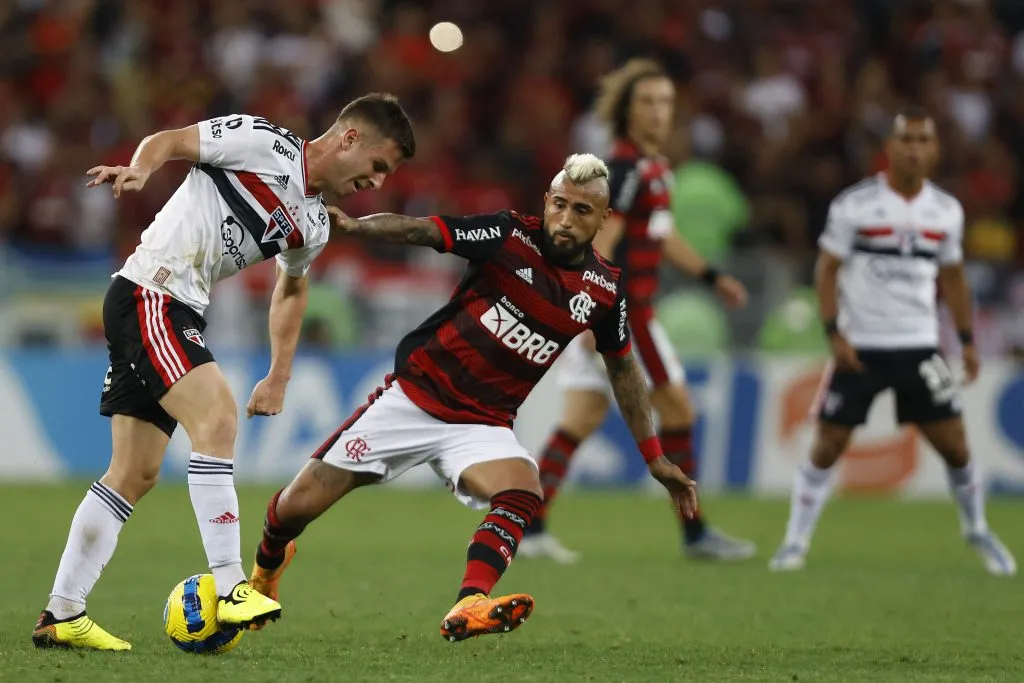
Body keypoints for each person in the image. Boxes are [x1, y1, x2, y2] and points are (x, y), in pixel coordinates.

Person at [248, 154, 700, 642]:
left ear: (604, 218)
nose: (566, 219)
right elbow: (424, 230)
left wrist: (654, 457)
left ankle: (471, 601)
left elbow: (624, 368)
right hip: (413, 399)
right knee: (293, 508)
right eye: (560, 204)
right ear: (547, 201)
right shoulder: (509, 237)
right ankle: (263, 575)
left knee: (524, 490)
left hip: (482, 424)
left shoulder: (605, 289)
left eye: (582, 211)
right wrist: (357, 227)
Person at [32, 94, 417, 651]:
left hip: (179, 307)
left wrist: (279, 373)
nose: (377, 182)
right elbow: (171, 141)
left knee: (134, 472)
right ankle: (232, 585)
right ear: (350, 138)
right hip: (150, 291)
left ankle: (63, 612)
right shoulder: (261, 142)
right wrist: (141, 169)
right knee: (217, 418)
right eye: (378, 165)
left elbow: (291, 288)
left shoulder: (313, 223)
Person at [520, 59, 755, 564]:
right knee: (679, 412)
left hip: (601, 310)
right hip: (627, 314)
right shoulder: (624, 171)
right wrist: (590, 305)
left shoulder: (654, 168)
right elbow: (604, 238)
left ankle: (529, 527)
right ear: (627, 111)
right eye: (648, 101)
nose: (658, 112)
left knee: (579, 419)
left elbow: (662, 236)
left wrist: (712, 277)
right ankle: (695, 533)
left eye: (665, 102)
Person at [768, 108, 1016, 576]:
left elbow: (954, 277)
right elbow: (827, 269)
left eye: (924, 140)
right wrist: (834, 332)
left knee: (956, 447)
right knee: (828, 444)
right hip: (861, 345)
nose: (915, 149)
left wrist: (966, 340)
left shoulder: (946, 211)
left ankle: (977, 529)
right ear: (891, 147)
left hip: (919, 345)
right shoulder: (855, 204)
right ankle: (795, 541)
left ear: (935, 149)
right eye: (907, 139)